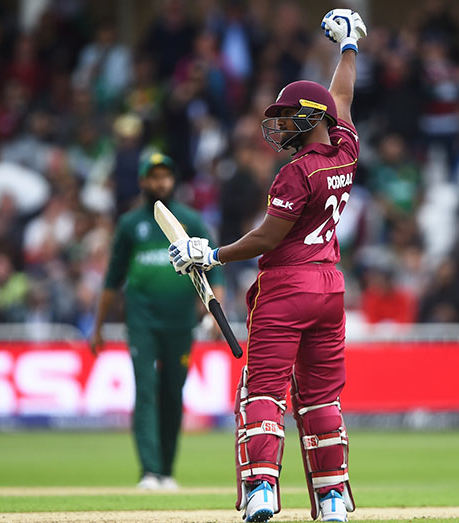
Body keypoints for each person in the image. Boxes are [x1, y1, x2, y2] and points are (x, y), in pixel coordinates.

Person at [166, 9, 367, 523]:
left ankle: (261, 490)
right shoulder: (345, 150)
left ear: (311, 119)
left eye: (287, 117)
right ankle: (333, 500)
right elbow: (340, 97)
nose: (277, 126)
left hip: (287, 286)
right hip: (330, 288)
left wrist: (207, 253)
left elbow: (267, 238)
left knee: (263, 391)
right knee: (321, 399)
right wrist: (348, 46)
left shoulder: (294, 174)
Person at [90, 152, 225, 490]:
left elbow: (213, 269)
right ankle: (150, 471)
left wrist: (214, 314)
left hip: (180, 322)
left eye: (166, 176)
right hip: (142, 321)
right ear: (143, 181)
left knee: (172, 393)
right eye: (154, 176)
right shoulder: (129, 224)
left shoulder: (190, 221)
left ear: (174, 180)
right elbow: (111, 280)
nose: (160, 182)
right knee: (147, 392)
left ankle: (166, 471)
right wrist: (97, 327)